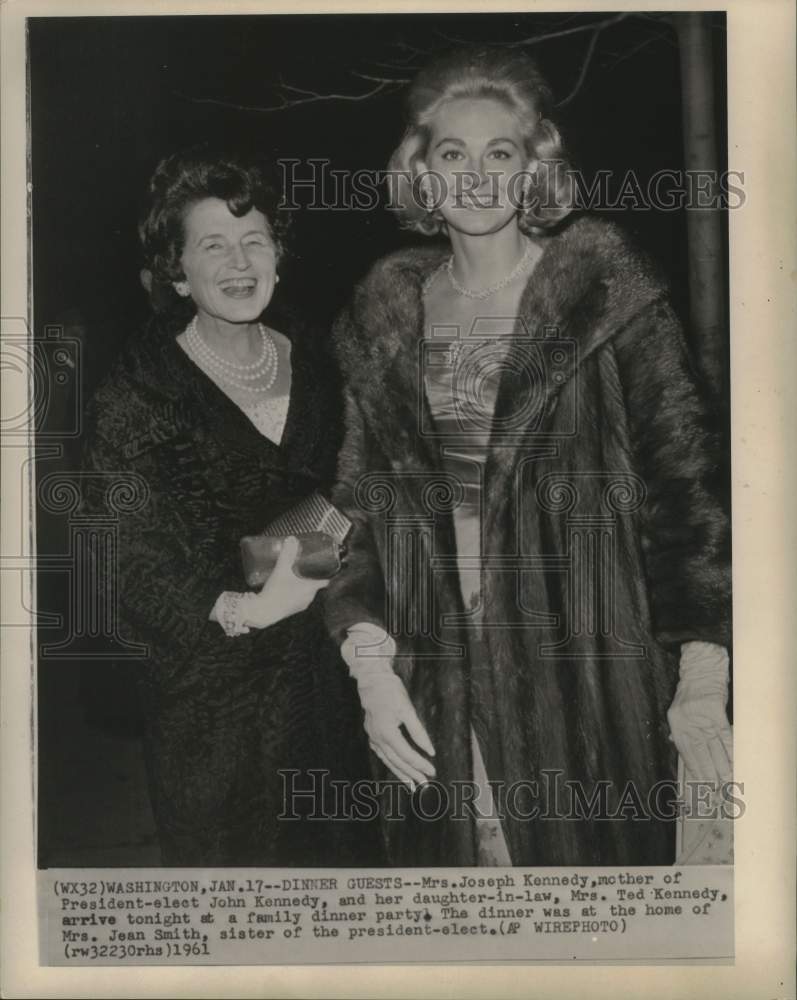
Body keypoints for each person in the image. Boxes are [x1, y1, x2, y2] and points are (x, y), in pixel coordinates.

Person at [325, 46, 732, 867]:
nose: (475, 177)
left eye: (499, 153)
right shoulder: (381, 321)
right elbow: (356, 517)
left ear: (533, 167)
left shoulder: (610, 301)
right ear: (421, 173)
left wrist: (700, 678)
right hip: (432, 688)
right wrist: (369, 670)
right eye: (451, 154)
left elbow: (690, 506)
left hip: (589, 684)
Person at [81, 146, 381, 866]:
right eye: (212, 245)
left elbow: (368, 483)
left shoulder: (323, 359)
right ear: (178, 271)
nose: (239, 262)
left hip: (327, 683)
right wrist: (240, 609)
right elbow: (126, 555)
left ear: (279, 255)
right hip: (213, 698)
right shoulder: (136, 394)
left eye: (255, 240)